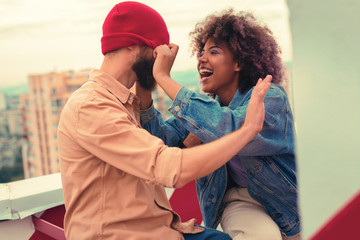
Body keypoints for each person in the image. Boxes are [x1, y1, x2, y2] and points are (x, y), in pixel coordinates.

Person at [57, 2, 272, 240]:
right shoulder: (92, 106)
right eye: (159, 50)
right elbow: (169, 167)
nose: (165, 57)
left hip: (162, 231)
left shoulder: (121, 102)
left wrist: (148, 79)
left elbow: (156, 138)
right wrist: (247, 130)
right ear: (135, 45)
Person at [138, 9, 301, 240]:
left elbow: (231, 129)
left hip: (288, 205)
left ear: (238, 62)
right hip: (240, 202)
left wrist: (165, 78)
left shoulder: (268, 96)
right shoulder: (204, 110)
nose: (202, 58)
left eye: (213, 52)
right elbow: (157, 140)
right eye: (201, 52)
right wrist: (147, 80)